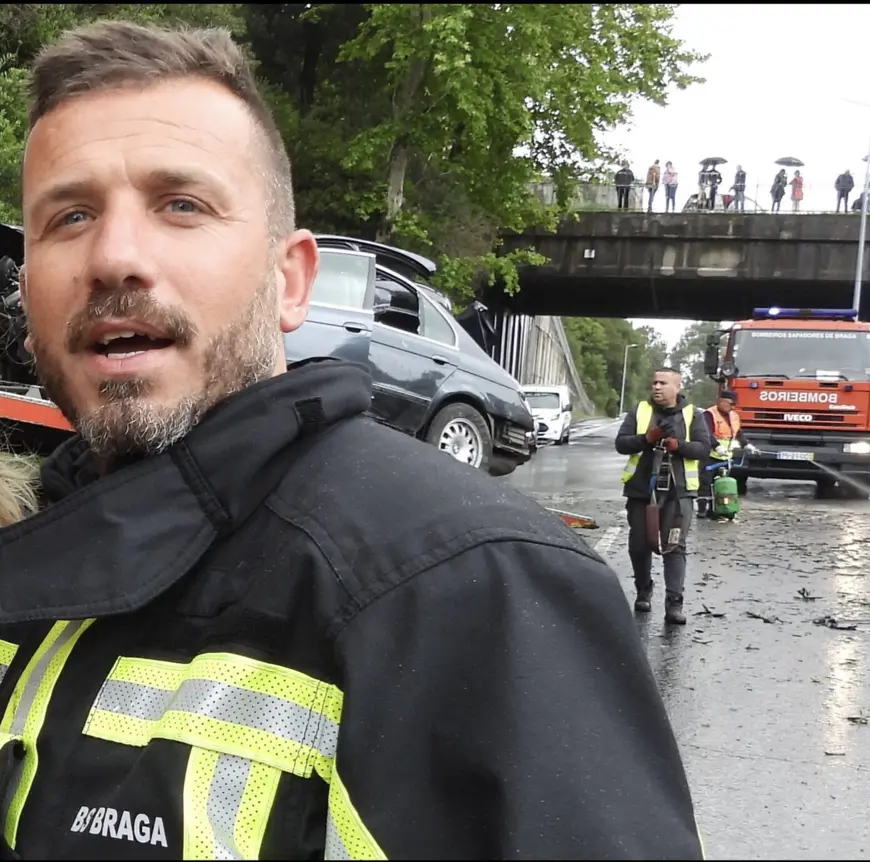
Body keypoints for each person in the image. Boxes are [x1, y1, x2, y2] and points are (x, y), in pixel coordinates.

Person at [0, 21, 703, 859]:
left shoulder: (478, 586)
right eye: (69, 216)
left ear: (290, 279)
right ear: (27, 284)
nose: (115, 255)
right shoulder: (36, 547)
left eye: (181, 205)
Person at [615, 368, 710, 624]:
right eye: (654, 382)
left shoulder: (693, 415)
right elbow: (621, 444)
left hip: (679, 493)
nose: (656, 387)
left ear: (677, 387)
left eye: (663, 383)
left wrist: (678, 445)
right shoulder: (640, 411)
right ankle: (643, 590)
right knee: (639, 544)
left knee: (674, 546)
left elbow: (703, 448)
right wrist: (647, 439)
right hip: (642, 490)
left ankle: (674, 604)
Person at [697, 390, 757, 519]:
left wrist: (746, 444)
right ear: (721, 401)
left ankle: (718, 509)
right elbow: (706, 433)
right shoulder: (709, 414)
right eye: (730, 404)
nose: (733, 407)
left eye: (734, 404)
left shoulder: (734, 415)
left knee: (722, 484)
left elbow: (738, 432)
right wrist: (716, 446)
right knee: (705, 483)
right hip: (710, 456)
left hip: (725, 457)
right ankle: (703, 510)